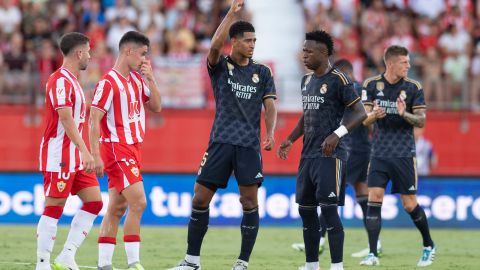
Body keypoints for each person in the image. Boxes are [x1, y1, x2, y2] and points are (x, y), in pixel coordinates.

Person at [168, 1, 277, 269]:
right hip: (220, 143)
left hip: (248, 146)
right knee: (199, 198)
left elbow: (270, 105)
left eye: (255, 40)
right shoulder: (220, 66)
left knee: (249, 201)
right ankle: (192, 261)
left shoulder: (262, 72)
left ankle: (242, 262)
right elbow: (214, 47)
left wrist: (271, 133)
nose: (252, 45)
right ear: (235, 42)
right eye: (248, 40)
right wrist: (230, 13)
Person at [278, 31, 367, 270]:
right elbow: (307, 115)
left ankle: (336, 266)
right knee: (306, 212)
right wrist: (290, 139)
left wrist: (337, 134)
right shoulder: (306, 81)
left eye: (309, 51)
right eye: (303, 50)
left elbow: (360, 113)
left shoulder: (340, 79)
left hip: (331, 155)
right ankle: (311, 265)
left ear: (324, 53)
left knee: (328, 212)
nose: (304, 55)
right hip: (307, 155)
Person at [290, 59, 382, 258]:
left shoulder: (349, 87)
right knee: (358, 196)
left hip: (349, 150)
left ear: (345, 72)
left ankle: (326, 242)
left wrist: (372, 116)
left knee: (328, 198)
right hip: (357, 149)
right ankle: (374, 245)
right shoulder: (352, 87)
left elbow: (362, 117)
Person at [89, 31, 162, 270]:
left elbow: (157, 107)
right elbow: (94, 120)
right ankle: (134, 263)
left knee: (117, 207)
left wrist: (151, 79)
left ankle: (103, 264)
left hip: (133, 148)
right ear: (128, 51)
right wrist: (95, 154)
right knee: (139, 202)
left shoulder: (138, 80)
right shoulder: (107, 83)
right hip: (116, 148)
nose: (144, 59)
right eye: (142, 54)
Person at [359, 45, 435, 267]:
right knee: (374, 198)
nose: (409, 66)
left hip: (403, 153)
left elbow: (421, 121)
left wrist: (405, 114)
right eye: (404, 62)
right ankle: (373, 253)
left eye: (408, 62)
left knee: (409, 204)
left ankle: (428, 245)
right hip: (379, 152)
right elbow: (363, 119)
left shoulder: (413, 87)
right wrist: (373, 115)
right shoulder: (371, 85)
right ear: (390, 63)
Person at [37, 32, 103, 270]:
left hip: (75, 156)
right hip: (60, 156)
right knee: (54, 207)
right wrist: (86, 151)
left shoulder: (74, 81)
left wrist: (86, 153)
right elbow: (65, 119)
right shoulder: (59, 80)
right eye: (88, 51)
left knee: (95, 202)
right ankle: (42, 263)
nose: (90, 55)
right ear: (79, 52)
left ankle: (66, 256)